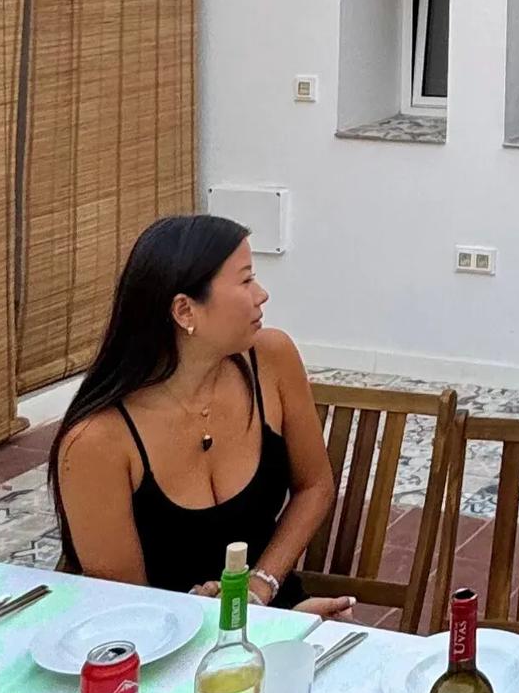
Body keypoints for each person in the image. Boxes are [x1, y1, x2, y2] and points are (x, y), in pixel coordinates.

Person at [52, 214, 351, 617]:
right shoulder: (97, 441)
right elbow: (125, 611)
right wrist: (209, 619)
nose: (261, 294)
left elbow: (314, 485)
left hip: (272, 613)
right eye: (245, 280)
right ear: (184, 311)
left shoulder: (272, 360)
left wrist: (262, 589)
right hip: (164, 641)